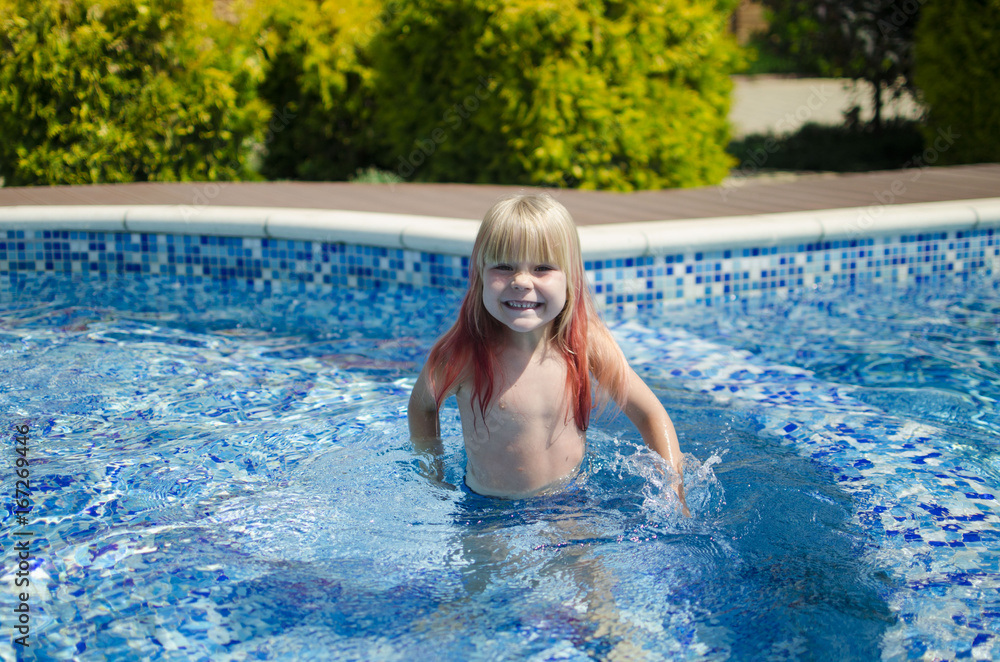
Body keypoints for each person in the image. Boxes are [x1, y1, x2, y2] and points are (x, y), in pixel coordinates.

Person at [408, 193, 688, 515]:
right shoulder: (464, 356)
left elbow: (650, 414)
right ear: (480, 275)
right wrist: (433, 477)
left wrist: (673, 494)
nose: (521, 282)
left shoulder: (584, 342)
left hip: (574, 501)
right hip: (488, 511)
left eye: (542, 268)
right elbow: (422, 407)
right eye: (503, 266)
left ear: (570, 278)